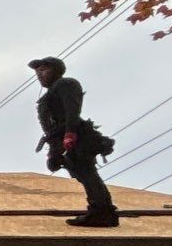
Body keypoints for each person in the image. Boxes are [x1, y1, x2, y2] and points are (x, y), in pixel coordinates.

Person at [30, 56, 120, 227]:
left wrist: (70, 134)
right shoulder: (49, 94)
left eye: (44, 70)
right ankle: (101, 209)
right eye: (37, 71)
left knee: (87, 173)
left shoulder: (66, 84)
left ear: (56, 70)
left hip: (77, 137)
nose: (40, 74)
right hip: (62, 138)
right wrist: (54, 148)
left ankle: (102, 211)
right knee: (82, 174)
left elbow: (72, 111)